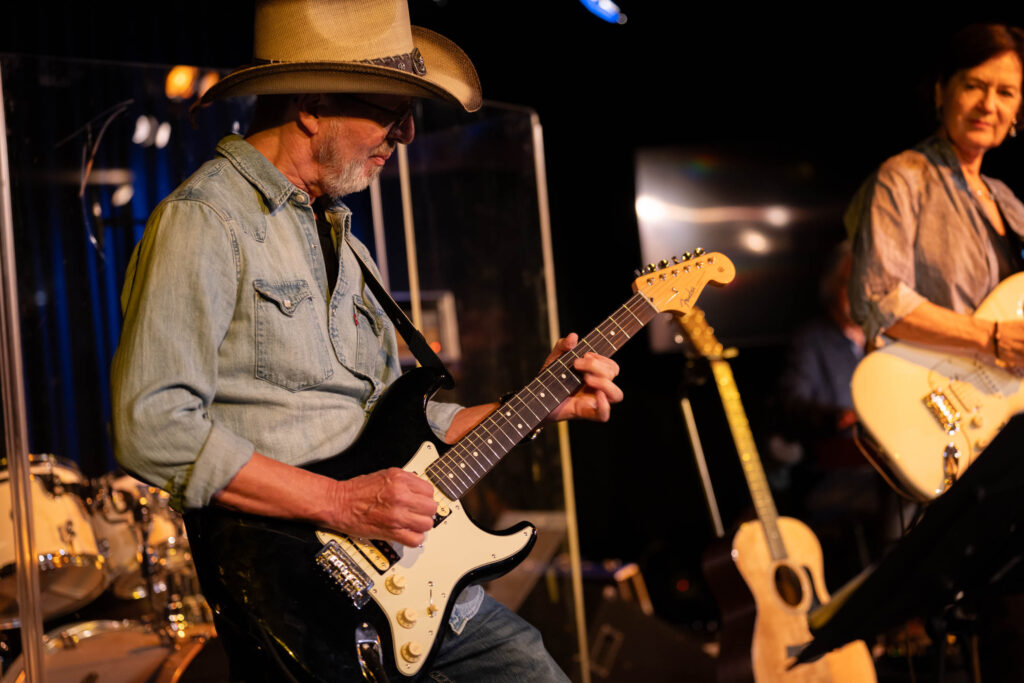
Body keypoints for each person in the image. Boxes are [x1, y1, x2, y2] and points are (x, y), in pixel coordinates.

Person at [110, 1, 623, 681]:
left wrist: (536, 401)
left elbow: (397, 424)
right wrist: (341, 503)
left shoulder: (348, 246)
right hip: (298, 593)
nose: (405, 135)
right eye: (390, 112)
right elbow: (152, 427)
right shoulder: (205, 220)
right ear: (313, 108)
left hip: (410, 581)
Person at [846, 23, 1024, 677]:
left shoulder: (1008, 202)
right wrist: (991, 336)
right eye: (975, 85)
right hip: (942, 417)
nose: (989, 104)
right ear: (941, 90)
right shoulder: (905, 176)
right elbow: (878, 297)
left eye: (1006, 92)